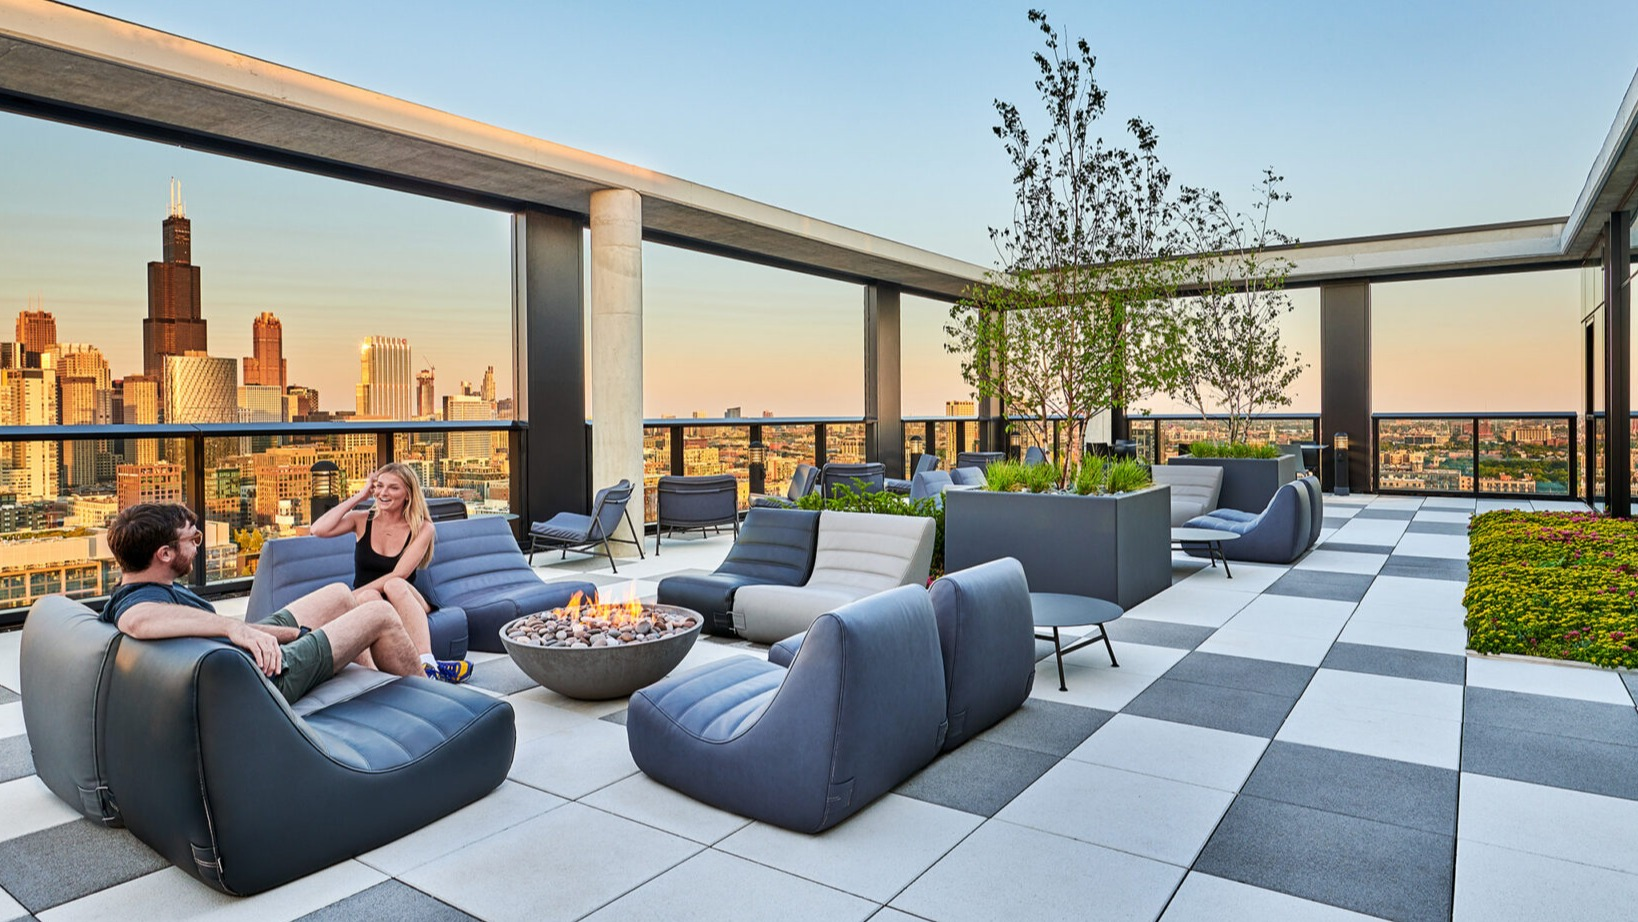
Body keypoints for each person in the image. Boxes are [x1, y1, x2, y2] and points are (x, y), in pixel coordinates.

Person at [101, 503, 428, 705]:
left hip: (248, 654)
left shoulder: (148, 585)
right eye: (193, 539)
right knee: (379, 612)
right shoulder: (138, 602)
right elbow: (138, 620)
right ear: (165, 554)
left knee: (340, 596)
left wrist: (287, 633)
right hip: (266, 676)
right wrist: (234, 627)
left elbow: (204, 628)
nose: (198, 546)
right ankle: (432, 698)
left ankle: (374, 685)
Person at [310, 462, 471, 683]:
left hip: (405, 597)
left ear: (408, 494)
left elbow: (399, 575)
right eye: (379, 486)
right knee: (369, 597)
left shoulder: (422, 528)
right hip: (370, 601)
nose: (384, 493)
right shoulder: (362, 520)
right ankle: (394, 674)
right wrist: (360, 495)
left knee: (392, 585)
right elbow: (318, 529)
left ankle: (428, 663)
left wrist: (351, 596)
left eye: (393, 488)